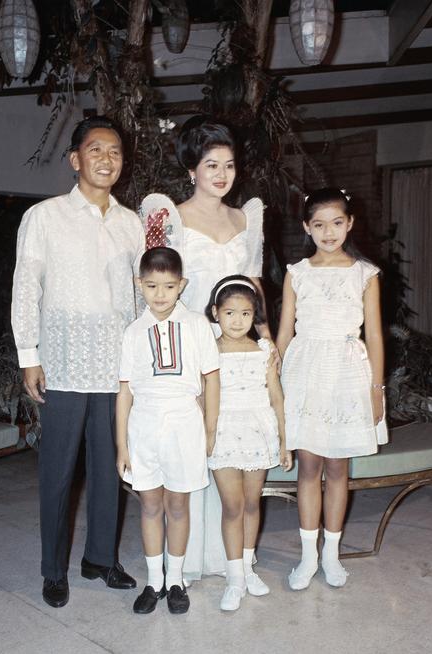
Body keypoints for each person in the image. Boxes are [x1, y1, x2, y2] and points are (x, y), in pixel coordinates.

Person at [11, 116, 142, 608]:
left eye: (115, 151)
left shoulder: (131, 224)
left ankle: (100, 559)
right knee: (59, 470)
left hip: (117, 364)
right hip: (63, 361)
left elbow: (140, 295)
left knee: (110, 466)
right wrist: (30, 355)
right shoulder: (44, 217)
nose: (106, 159)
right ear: (75, 159)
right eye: (96, 150)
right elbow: (27, 287)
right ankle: (53, 570)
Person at [139, 117, 274, 582]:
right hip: (187, 350)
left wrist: (266, 339)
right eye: (210, 164)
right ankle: (186, 561)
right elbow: (154, 285)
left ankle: (234, 560)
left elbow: (253, 287)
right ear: (191, 168)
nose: (221, 174)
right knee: (193, 447)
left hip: (235, 351)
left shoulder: (245, 219)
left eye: (229, 165)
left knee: (231, 442)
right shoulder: (168, 217)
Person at [276, 187, 387, 591]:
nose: (329, 232)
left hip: (347, 375)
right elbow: (285, 334)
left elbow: (374, 336)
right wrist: (271, 384)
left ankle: (331, 555)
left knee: (338, 466)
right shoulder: (297, 273)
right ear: (307, 227)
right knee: (308, 465)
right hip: (305, 373)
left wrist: (376, 388)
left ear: (350, 224)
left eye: (337, 223)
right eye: (319, 224)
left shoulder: (365, 273)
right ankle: (307, 557)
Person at [116, 247, 220, 615]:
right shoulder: (133, 332)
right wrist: (121, 444)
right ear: (138, 284)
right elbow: (125, 390)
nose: (160, 294)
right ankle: (153, 581)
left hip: (184, 424)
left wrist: (209, 429)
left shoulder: (197, 325)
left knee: (178, 505)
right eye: (152, 286)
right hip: (144, 425)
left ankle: (175, 580)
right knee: (149, 505)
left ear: (182, 285)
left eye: (169, 286)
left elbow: (211, 378)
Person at [206, 275, 292, 611]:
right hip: (224, 431)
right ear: (216, 313)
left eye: (245, 313)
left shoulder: (264, 349)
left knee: (253, 503)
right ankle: (234, 578)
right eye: (229, 313)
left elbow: (277, 396)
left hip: (259, 430)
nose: (237, 320)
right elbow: (202, 397)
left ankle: (247, 566)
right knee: (232, 506)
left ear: (254, 314)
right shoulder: (209, 350)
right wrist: (206, 434)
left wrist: (285, 440)